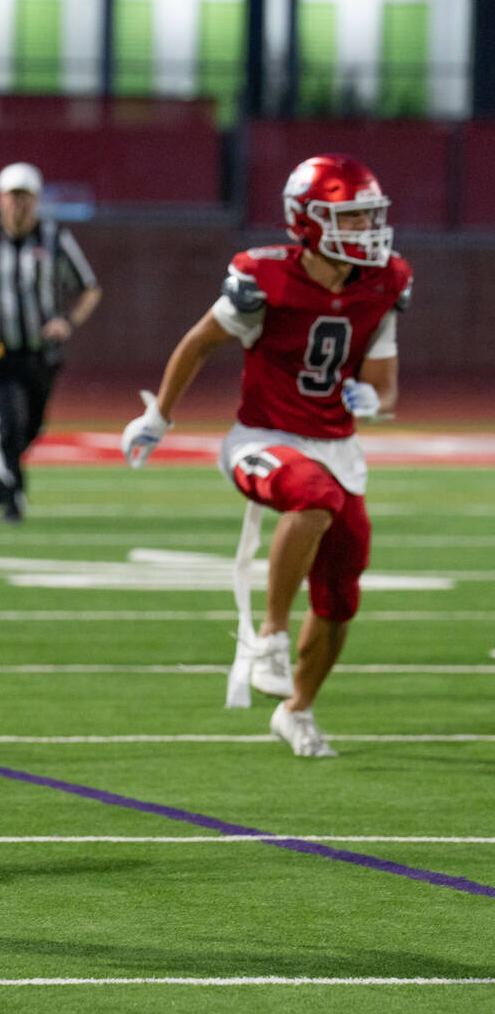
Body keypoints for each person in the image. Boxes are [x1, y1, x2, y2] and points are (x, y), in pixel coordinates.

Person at [121, 153, 412, 758]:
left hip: (338, 448)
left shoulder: (383, 281)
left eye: (369, 216)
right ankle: (270, 638)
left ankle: (296, 710)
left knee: (340, 596)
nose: (366, 229)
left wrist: (373, 400)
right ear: (307, 221)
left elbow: (385, 388)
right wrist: (159, 416)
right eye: (351, 217)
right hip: (262, 440)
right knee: (313, 495)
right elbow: (199, 343)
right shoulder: (266, 278)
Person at [0, 161, 102, 523]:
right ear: (0, 198)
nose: (18, 204)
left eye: (25, 197)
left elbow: (89, 288)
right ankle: (13, 494)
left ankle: (1, 465)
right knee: (10, 420)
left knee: (32, 425)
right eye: (13, 196)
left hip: (41, 352)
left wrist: (68, 321)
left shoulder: (56, 238)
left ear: (37, 200)